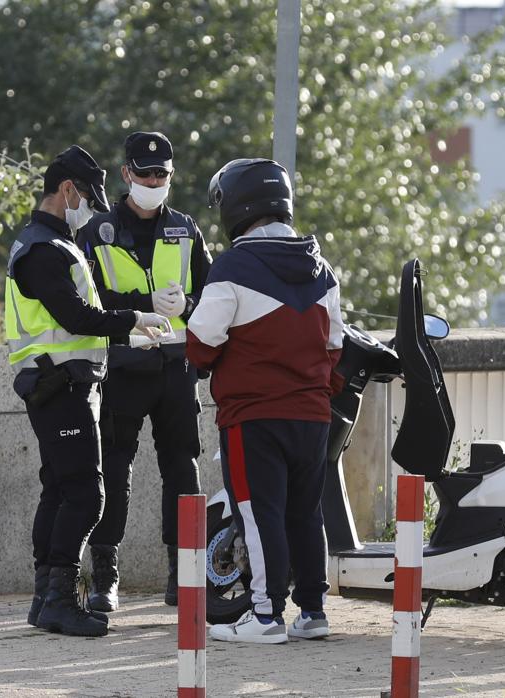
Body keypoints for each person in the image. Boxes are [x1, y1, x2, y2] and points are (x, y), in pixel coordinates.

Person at [5, 145, 170, 637]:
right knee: (86, 494)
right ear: (67, 190)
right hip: (60, 385)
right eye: (86, 199)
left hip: (62, 383)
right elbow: (76, 318)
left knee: (59, 490)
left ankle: (45, 598)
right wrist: (134, 320)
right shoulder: (42, 250)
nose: (89, 211)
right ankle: (58, 598)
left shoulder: (52, 245)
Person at [187, 158, 345, 644]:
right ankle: (312, 611)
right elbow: (336, 347)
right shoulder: (321, 269)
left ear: (237, 206)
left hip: (252, 415)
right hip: (313, 416)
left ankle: (264, 615)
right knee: (305, 513)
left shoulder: (233, 266)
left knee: (258, 514)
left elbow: (200, 346)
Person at [75, 131, 212, 611]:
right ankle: (105, 576)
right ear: (127, 173)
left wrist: (189, 303)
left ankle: (183, 573)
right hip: (123, 367)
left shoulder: (186, 229)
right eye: (145, 172)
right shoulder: (98, 233)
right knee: (114, 470)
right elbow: (86, 305)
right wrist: (142, 305)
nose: (154, 181)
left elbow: (215, 297)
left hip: (176, 367)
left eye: (163, 174)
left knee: (183, 468)